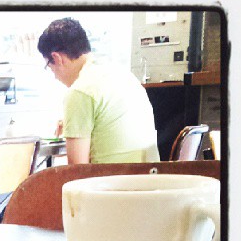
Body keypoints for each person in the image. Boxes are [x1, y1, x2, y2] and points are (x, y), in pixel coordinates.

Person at [37, 18, 160, 164]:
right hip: (150, 180)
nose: (55, 77)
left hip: (113, 183)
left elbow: (77, 170)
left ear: (56, 58)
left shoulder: (80, 91)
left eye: (50, 68)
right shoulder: (123, 75)